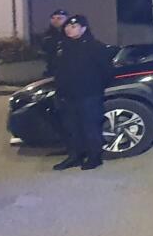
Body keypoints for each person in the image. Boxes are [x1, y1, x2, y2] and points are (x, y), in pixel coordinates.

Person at [51, 15, 116, 171]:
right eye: (67, 26)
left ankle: (94, 157)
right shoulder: (63, 47)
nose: (68, 29)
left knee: (90, 127)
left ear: (83, 28)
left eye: (73, 26)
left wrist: (95, 88)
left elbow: (107, 72)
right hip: (67, 95)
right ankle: (75, 156)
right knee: (72, 128)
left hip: (89, 95)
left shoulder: (94, 47)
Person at [40, 9, 69, 76]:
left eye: (59, 18)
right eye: (53, 18)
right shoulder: (48, 35)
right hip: (52, 68)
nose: (55, 21)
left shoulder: (70, 34)